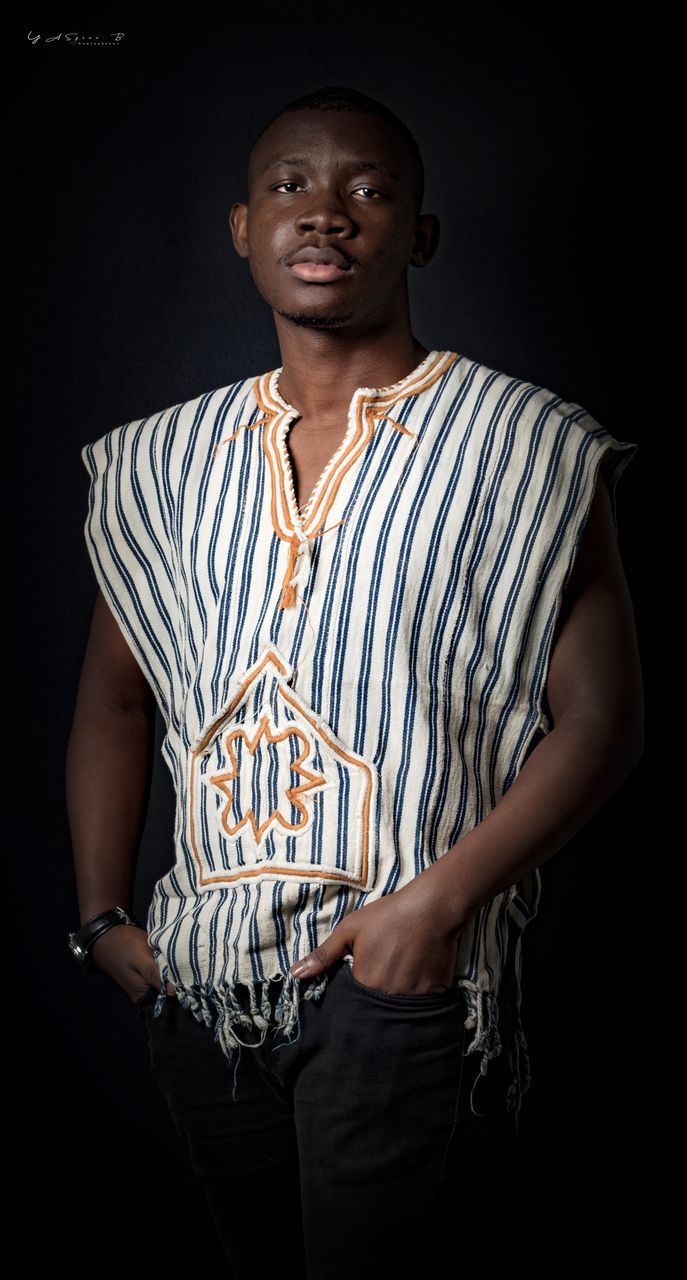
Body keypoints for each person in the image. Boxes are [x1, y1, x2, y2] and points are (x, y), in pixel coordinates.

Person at [66, 84, 643, 1275]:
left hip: (400, 975)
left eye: (369, 191)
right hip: (205, 979)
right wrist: (104, 918)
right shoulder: (162, 460)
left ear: (419, 236)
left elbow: (602, 718)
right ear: (241, 227)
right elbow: (114, 700)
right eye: (290, 187)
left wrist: (432, 911)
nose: (324, 215)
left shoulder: (522, 439)